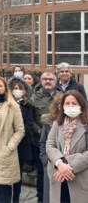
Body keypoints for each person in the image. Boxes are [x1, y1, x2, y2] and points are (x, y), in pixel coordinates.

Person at [46, 90, 88, 203]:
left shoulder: (86, 124)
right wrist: (59, 163)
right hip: (58, 177)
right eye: (67, 103)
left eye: (74, 103)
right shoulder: (57, 124)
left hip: (79, 176)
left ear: (81, 105)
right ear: (62, 106)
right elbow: (50, 145)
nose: (70, 106)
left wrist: (66, 166)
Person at [30, 71, 63, 202]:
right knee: (41, 172)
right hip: (39, 141)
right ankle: (41, 197)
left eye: (51, 79)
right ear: (40, 81)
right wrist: (38, 130)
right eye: (45, 79)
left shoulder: (62, 97)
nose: (48, 81)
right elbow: (29, 119)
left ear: (55, 81)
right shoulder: (33, 97)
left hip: (58, 143)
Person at [8, 77, 35, 203]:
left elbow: (29, 123)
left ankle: (16, 198)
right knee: (8, 172)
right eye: (15, 89)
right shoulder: (6, 104)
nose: (17, 91)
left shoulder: (27, 106)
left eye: (20, 89)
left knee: (18, 173)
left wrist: (18, 136)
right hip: (7, 143)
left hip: (21, 143)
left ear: (24, 91)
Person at [39, 94, 62, 203]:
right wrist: (45, 161)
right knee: (50, 196)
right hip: (50, 165)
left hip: (69, 167)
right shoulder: (49, 121)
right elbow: (43, 143)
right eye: (60, 104)